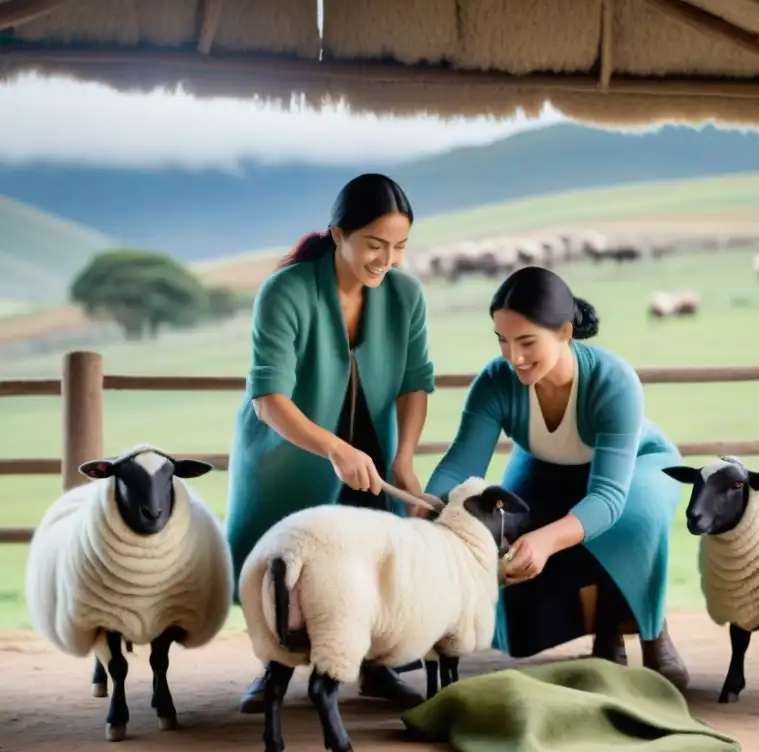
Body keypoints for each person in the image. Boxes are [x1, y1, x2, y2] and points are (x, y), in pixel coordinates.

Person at [423, 265, 690, 693]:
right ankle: (600, 628)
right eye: (503, 341)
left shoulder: (613, 381)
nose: (514, 357)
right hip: (548, 462)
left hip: (637, 463)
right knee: (514, 536)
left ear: (565, 332)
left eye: (527, 342)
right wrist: (427, 509)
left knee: (629, 526)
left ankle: (649, 631)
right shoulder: (496, 382)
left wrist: (547, 540)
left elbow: (607, 496)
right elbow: (460, 468)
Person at [224, 173, 435, 713]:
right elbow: (269, 398)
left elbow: (416, 381)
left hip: (373, 440)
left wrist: (404, 456)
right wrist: (335, 449)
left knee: (371, 554)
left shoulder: (406, 294)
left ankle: (376, 663)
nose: (386, 259)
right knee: (285, 558)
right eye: (374, 245)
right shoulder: (287, 290)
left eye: (399, 247)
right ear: (338, 234)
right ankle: (273, 666)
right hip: (289, 446)